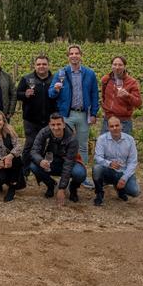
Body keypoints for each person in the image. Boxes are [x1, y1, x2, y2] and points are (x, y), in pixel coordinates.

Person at [48, 44, 98, 188]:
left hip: (83, 114)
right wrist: (56, 89)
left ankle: (82, 176)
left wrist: (94, 113)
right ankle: (66, 175)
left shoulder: (90, 74)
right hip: (66, 115)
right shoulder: (61, 73)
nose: (74, 56)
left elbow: (94, 94)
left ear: (81, 55)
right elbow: (51, 94)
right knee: (64, 146)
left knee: (82, 146)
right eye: (71, 53)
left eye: (77, 53)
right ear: (68, 56)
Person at [29, 113, 86, 206]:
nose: (56, 127)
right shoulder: (43, 133)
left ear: (63, 124)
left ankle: (73, 188)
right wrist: (40, 161)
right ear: (49, 125)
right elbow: (34, 151)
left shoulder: (72, 138)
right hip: (51, 163)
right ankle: (51, 185)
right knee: (33, 166)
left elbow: (68, 164)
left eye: (59, 124)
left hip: (68, 163)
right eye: (53, 125)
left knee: (80, 173)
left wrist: (62, 188)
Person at [16, 54, 57, 173]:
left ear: (49, 65)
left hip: (49, 120)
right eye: (39, 64)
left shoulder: (54, 80)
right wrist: (25, 95)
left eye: (44, 64)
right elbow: (17, 94)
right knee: (30, 144)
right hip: (31, 119)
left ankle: (38, 167)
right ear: (35, 65)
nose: (41, 66)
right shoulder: (26, 79)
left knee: (44, 145)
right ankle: (24, 169)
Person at [93, 117, 141, 206]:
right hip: (108, 170)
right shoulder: (101, 139)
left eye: (117, 125)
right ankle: (99, 194)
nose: (115, 128)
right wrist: (109, 163)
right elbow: (98, 157)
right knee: (96, 168)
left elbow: (133, 162)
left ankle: (120, 189)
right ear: (108, 128)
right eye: (111, 126)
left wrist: (124, 178)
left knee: (135, 192)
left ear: (121, 126)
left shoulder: (130, 140)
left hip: (123, 172)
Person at [100, 56, 142, 136]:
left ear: (124, 66)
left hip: (123, 121)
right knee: (105, 146)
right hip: (108, 119)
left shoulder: (131, 82)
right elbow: (103, 97)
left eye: (120, 65)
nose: (117, 67)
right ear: (111, 66)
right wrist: (105, 108)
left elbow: (138, 103)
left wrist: (128, 95)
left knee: (123, 146)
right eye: (115, 64)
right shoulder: (106, 79)